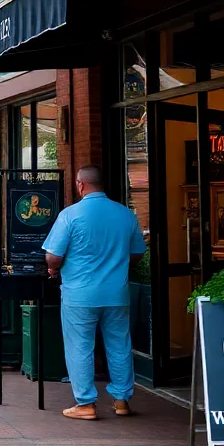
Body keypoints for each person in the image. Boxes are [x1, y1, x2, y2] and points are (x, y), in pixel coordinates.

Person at [43, 165, 146, 421]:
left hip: (79, 295)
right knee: (120, 345)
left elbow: (53, 256)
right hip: (117, 293)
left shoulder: (70, 215)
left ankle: (86, 403)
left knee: (80, 347)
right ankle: (122, 400)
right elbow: (137, 253)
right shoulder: (125, 214)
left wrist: (53, 269)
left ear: (80, 185)